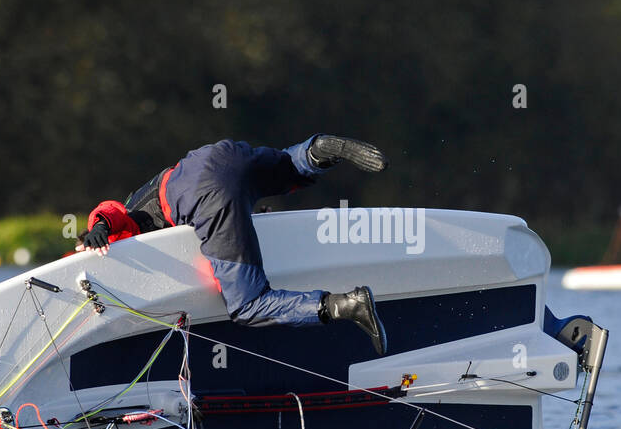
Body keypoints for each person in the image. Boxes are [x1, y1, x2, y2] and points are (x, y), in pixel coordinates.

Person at [77, 134, 389, 355]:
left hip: (206, 196)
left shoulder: (109, 245)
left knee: (248, 305)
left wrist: (99, 226)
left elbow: (112, 211)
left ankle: (346, 304)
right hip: (218, 156)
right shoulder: (125, 217)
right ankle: (319, 149)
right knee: (288, 168)